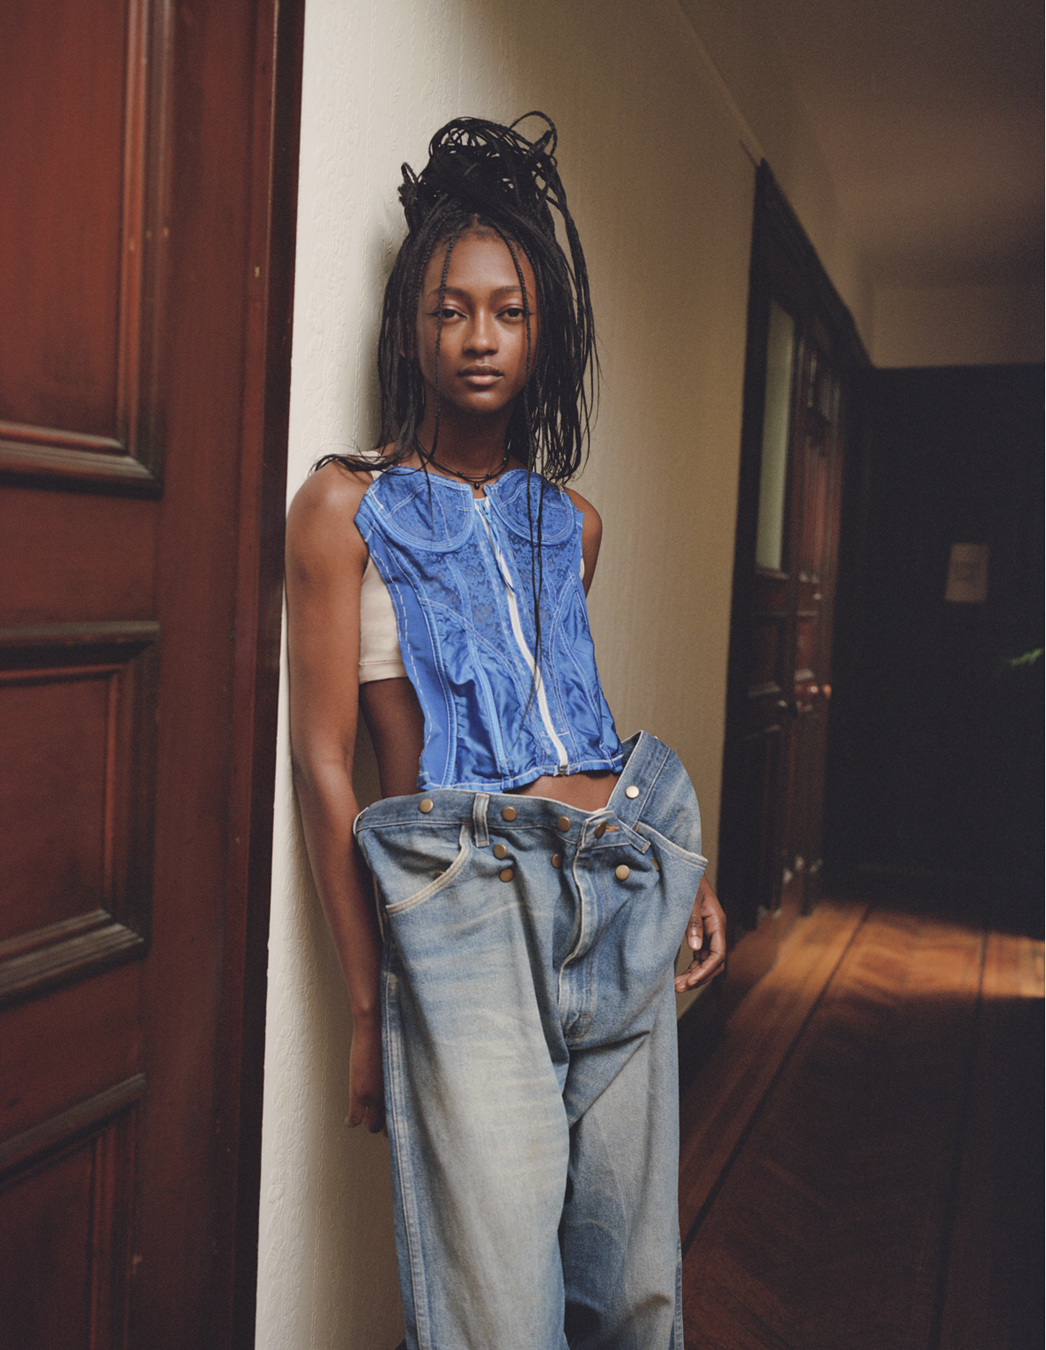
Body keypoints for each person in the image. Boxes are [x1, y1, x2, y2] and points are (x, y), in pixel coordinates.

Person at [285, 113, 726, 1350]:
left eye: (509, 310)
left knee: (633, 1293)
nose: (478, 337)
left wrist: (680, 877)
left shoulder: (568, 524)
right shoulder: (341, 509)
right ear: (409, 327)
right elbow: (327, 766)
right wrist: (368, 1006)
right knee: (499, 1313)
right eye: (450, 309)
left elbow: (576, 738)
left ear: (545, 335)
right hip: (467, 913)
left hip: (624, 885)